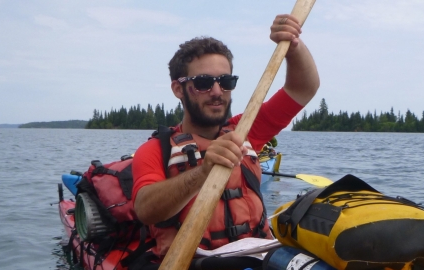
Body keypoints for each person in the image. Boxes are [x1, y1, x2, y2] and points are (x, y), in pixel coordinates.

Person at [131, 14, 319, 256]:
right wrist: (203, 171)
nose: (217, 92)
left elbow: (303, 88)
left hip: (258, 263)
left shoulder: (247, 129)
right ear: (178, 89)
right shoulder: (156, 150)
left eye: (226, 81)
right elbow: (146, 209)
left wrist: (293, 45)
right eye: (203, 83)